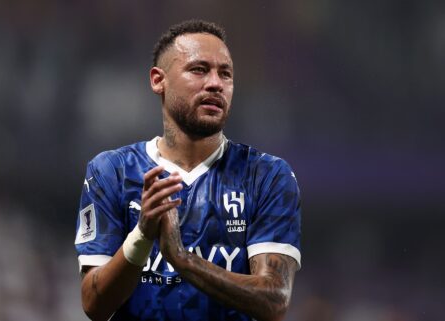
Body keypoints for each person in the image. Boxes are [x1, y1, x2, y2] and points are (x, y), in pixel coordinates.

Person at [74, 19, 302, 321]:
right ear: (158, 80)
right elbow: (94, 305)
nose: (215, 83)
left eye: (226, 73)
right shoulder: (111, 172)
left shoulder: (266, 176)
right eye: (199, 69)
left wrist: (181, 258)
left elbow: (274, 300)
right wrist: (141, 236)